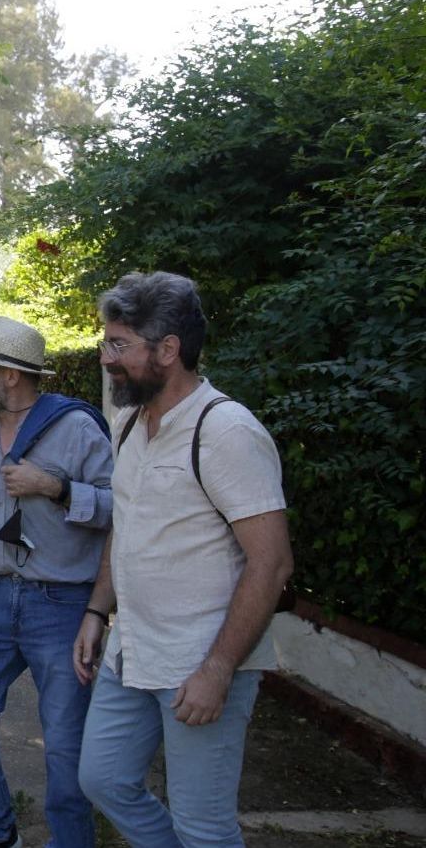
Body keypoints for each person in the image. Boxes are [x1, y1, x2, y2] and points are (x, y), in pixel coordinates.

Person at [74, 272, 293, 848]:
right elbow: (127, 525)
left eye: (120, 345)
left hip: (201, 659)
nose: (106, 357)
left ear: (168, 350)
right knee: (103, 778)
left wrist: (217, 671)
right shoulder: (128, 426)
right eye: (107, 342)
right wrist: (98, 612)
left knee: (204, 824)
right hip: (134, 650)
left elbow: (271, 565)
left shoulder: (226, 431)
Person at [0, 317, 113, 848]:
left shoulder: (78, 428)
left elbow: (122, 510)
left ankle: (71, 841)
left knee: (65, 744)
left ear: (10, 376)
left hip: (61, 603)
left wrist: (55, 487)